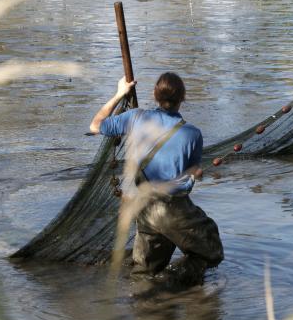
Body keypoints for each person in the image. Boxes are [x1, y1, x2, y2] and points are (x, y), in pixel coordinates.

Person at [89, 72, 224, 285]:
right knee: (211, 250)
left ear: (154, 95)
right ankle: (168, 285)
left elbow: (95, 125)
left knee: (144, 272)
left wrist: (119, 93)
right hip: (174, 208)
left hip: (144, 207)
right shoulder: (192, 134)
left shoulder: (135, 117)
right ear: (183, 98)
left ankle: (145, 303)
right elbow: (194, 171)